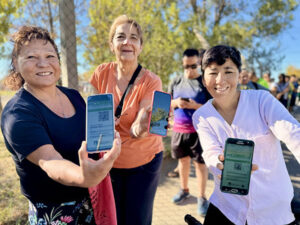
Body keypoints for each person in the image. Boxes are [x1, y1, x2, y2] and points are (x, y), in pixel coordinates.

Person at [1, 26, 121, 225]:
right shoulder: (17, 113)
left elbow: (86, 137)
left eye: (50, 55)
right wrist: (84, 176)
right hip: (53, 214)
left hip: (90, 202)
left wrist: (105, 127)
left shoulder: (73, 96)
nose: (43, 63)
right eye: (31, 57)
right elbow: (50, 162)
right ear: (16, 62)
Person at [192, 45, 300, 225]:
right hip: (227, 207)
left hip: (272, 211)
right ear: (203, 79)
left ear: (239, 75)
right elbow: (210, 151)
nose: (220, 80)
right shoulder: (201, 116)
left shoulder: (262, 101)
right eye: (213, 73)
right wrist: (219, 163)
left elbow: (293, 134)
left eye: (228, 71)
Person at [89, 15, 164, 225]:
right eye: (120, 37)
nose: (127, 42)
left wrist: (142, 122)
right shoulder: (101, 73)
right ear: (111, 44)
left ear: (140, 46)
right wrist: (100, 121)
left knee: (137, 220)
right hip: (109, 161)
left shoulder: (152, 81)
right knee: (112, 219)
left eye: (133, 38)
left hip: (144, 161)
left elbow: (143, 117)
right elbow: (94, 111)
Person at [168, 48, 210, 216]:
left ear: (199, 63)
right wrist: (176, 102)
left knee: (200, 165)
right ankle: (184, 190)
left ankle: (201, 197)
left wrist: (195, 106)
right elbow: (167, 103)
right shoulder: (176, 81)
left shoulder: (205, 83)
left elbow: (214, 107)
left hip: (198, 132)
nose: (189, 70)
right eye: (186, 66)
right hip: (178, 131)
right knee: (182, 163)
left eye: (193, 66)